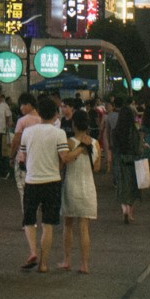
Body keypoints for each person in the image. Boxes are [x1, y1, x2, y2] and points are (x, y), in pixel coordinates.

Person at [17, 95, 75, 273]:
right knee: (48, 224)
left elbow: (22, 157)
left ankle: (33, 251)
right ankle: (43, 263)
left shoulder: (28, 132)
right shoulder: (59, 133)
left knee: (29, 219)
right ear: (55, 114)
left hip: (32, 180)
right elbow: (64, 157)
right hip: (52, 182)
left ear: (39, 113)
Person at [59, 109, 100, 273]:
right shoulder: (95, 143)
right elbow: (97, 168)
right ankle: (84, 264)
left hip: (71, 185)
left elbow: (64, 162)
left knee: (68, 225)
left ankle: (67, 260)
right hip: (88, 187)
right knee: (84, 227)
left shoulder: (69, 142)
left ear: (74, 124)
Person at [109, 100, 144, 223]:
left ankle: (124, 209)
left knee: (122, 186)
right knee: (133, 186)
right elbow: (137, 148)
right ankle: (130, 212)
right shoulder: (134, 130)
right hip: (133, 160)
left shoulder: (116, 130)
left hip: (120, 160)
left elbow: (113, 147)